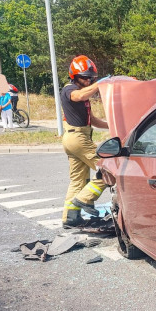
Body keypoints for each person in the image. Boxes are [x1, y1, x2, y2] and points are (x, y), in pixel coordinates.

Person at [60, 55, 109, 229]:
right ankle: (83, 199)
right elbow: (78, 96)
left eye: (91, 78)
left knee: (78, 180)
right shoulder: (70, 89)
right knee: (109, 169)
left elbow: (92, 120)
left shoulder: (83, 93)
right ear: (74, 76)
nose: (88, 81)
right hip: (77, 138)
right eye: (85, 77)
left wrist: (112, 125)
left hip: (76, 138)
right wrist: (101, 84)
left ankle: (70, 217)